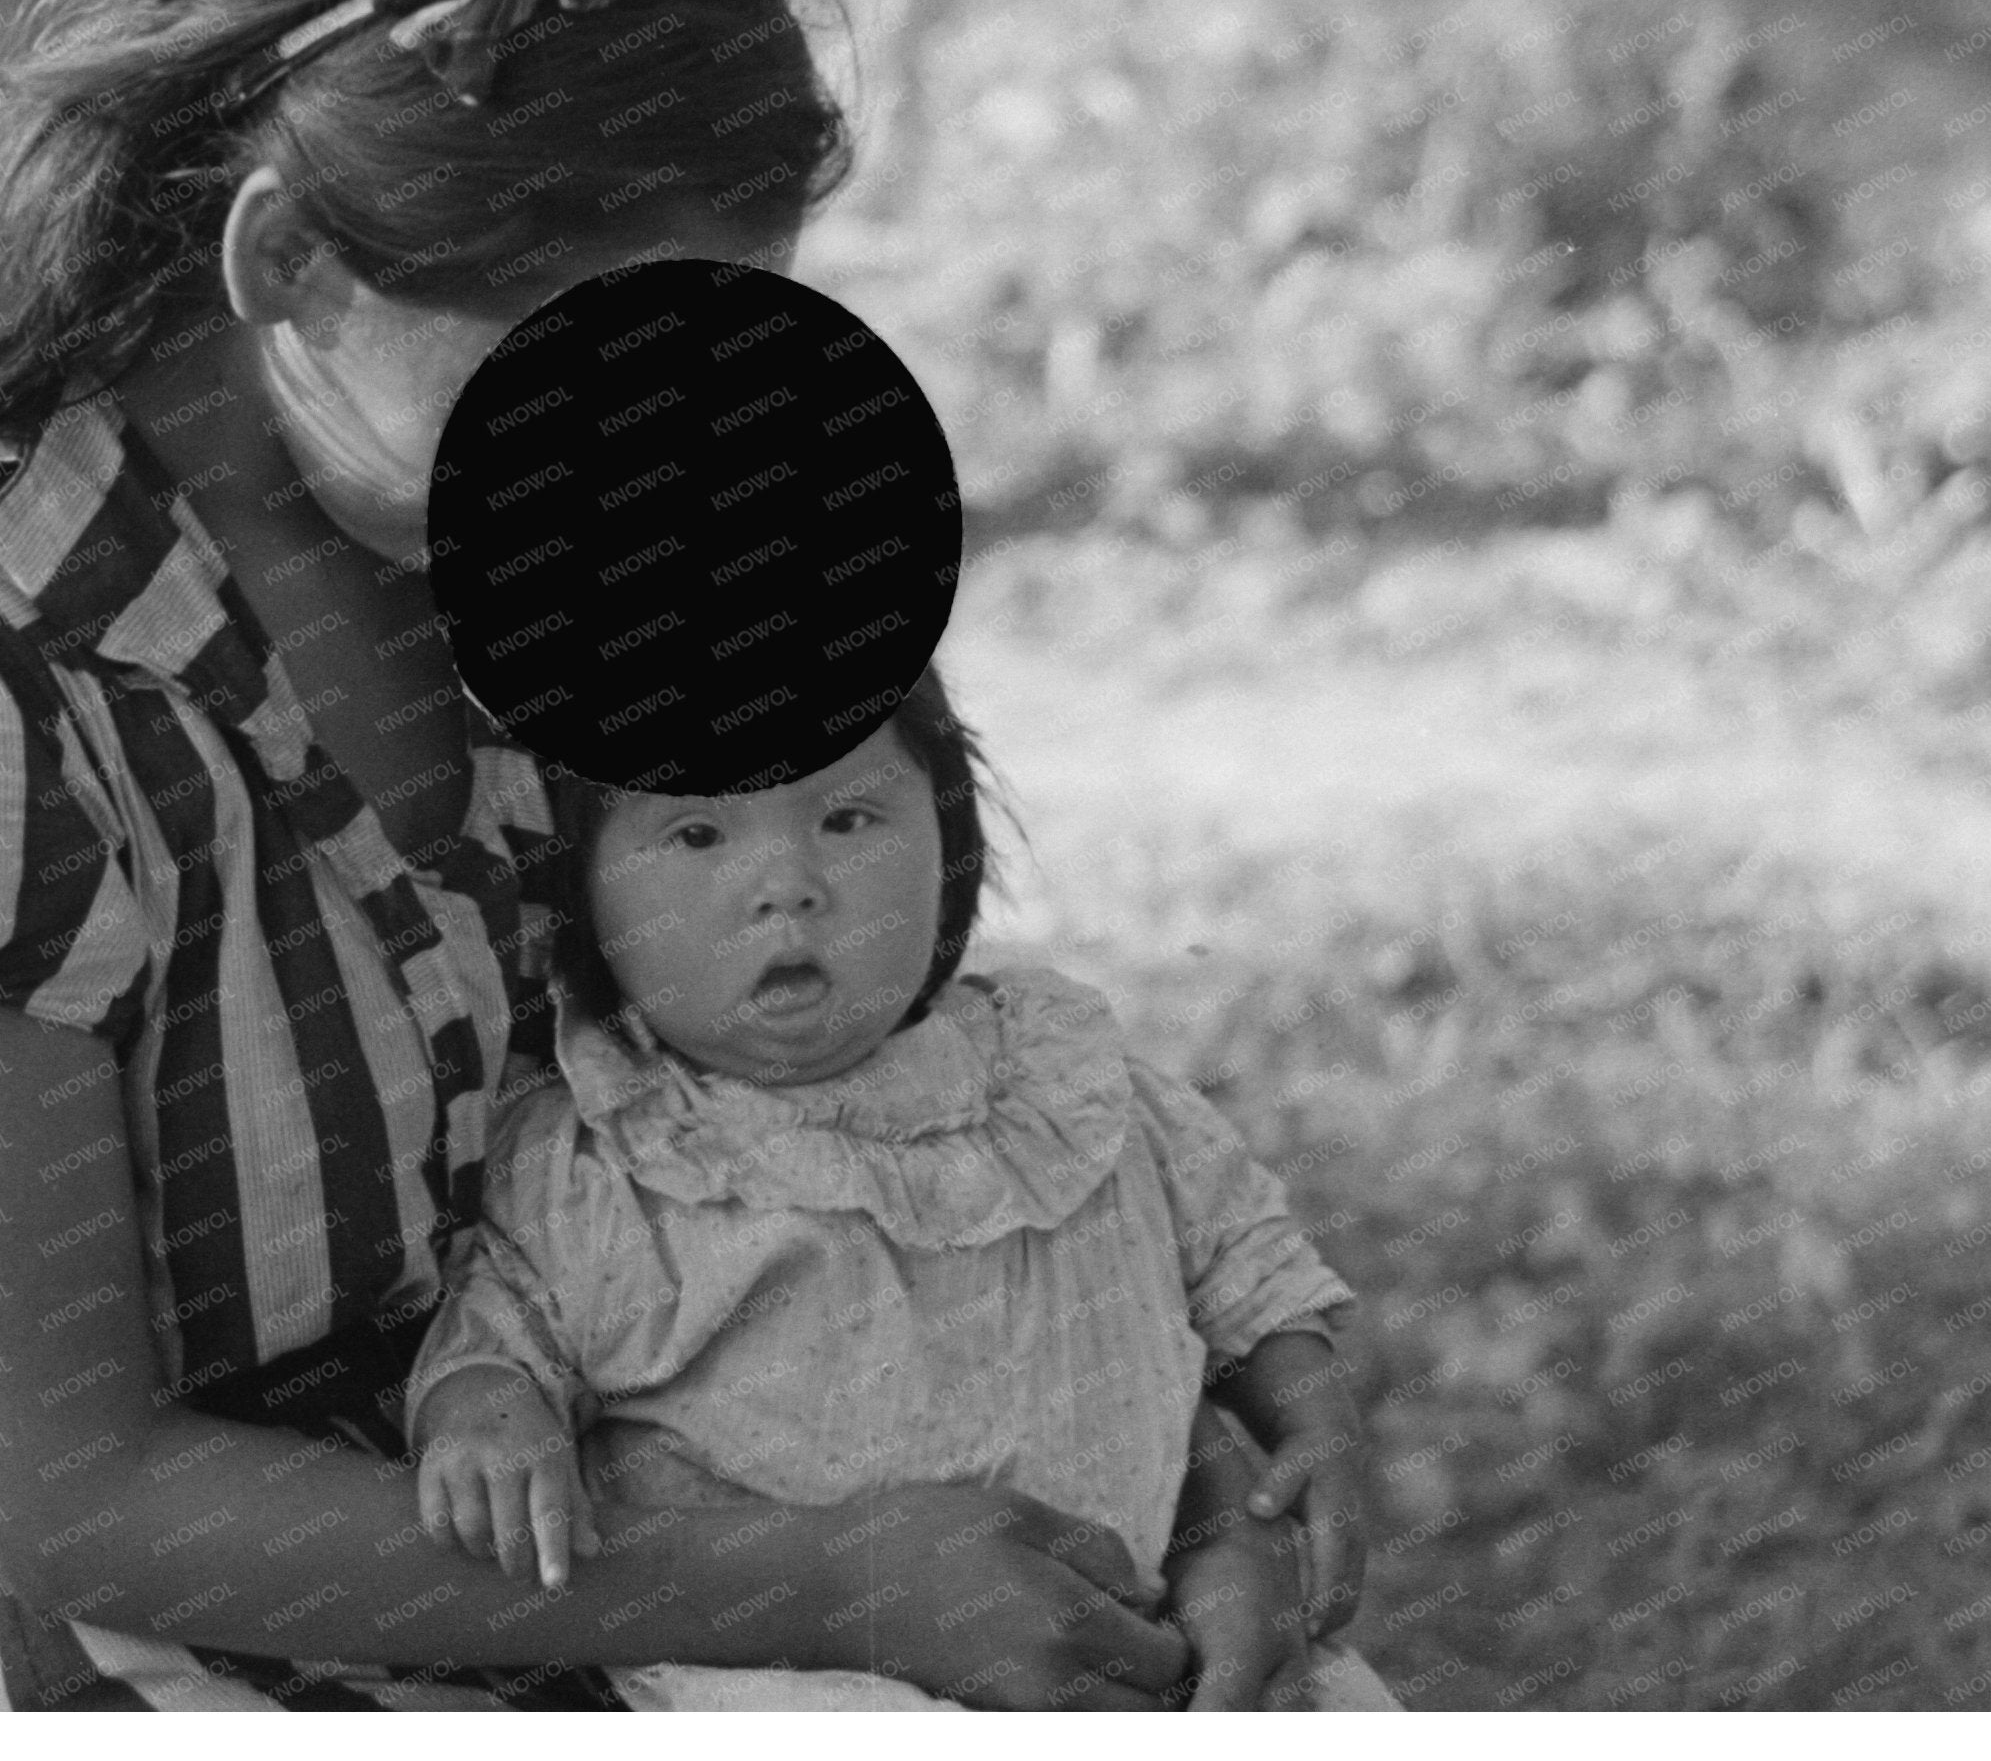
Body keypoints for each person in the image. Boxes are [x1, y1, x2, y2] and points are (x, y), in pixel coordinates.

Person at [0, 0, 1315, 1708]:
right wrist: (826, 1589)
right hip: (232, 1637)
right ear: (289, 261)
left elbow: (851, 1071)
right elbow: (78, 1492)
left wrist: (1179, 1470)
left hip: (733, 1479)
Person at [407, 667, 1396, 1712]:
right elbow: (499, 1327)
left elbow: (1248, 1267)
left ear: (947, 842)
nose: (786, 881)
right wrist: (486, 1416)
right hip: (801, 1670)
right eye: (696, 836)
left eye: (845, 817)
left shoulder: (1066, 1083)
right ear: (583, 894)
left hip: (1143, 1624)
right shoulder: (601, 1155)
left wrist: (1307, 1411)